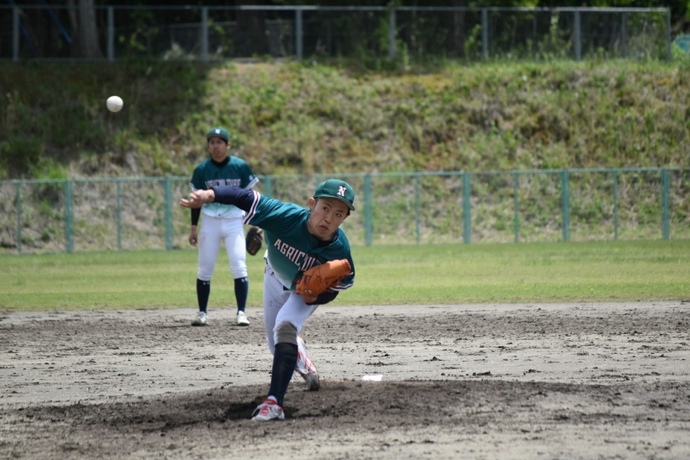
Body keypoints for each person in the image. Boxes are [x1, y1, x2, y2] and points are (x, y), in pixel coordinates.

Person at [181, 178, 356, 421]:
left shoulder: (340, 249)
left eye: (338, 213)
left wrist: (320, 295)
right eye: (325, 208)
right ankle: (302, 359)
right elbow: (243, 196)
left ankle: (274, 404)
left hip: (301, 294)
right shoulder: (285, 216)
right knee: (276, 347)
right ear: (312, 204)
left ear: (344, 218)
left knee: (284, 327)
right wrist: (210, 195)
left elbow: (338, 286)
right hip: (274, 276)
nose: (329, 218)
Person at [188, 127, 259, 327]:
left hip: (234, 220)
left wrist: (253, 220)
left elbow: (250, 197)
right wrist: (193, 227)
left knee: (239, 265)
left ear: (228, 145)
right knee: (205, 269)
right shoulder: (202, 170)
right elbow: (196, 201)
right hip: (209, 220)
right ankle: (202, 313)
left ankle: (241, 313)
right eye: (212, 142)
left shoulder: (240, 166)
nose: (215, 146)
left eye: (220, 142)